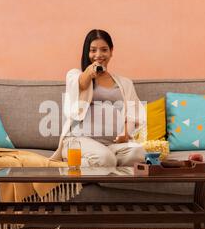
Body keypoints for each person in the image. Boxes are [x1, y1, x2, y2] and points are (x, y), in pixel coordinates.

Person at [50, 29, 147, 167]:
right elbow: (81, 84)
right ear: (87, 52)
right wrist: (90, 72)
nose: (98, 55)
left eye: (104, 50)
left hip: (111, 145)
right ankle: (75, 163)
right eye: (93, 50)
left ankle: (99, 164)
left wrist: (125, 134)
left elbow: (133, 114)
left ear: (111, 51)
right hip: (78, 141)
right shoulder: (75, 76)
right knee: (105, 158)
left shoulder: (125, 83)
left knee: (139, 153)